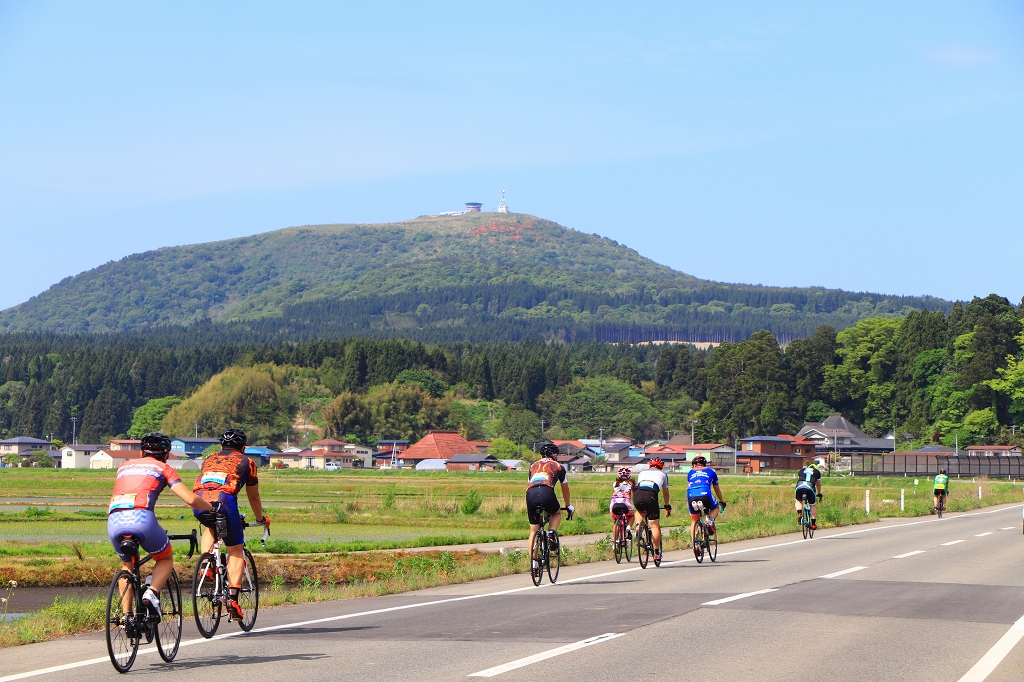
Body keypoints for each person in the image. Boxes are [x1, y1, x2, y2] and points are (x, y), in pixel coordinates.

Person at [107, 432, 214, 620]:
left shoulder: (123, 467)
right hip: (142, 519)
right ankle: (151, 592)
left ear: (141, 453)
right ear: (166, 455)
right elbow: (190, 498)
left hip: (114, 520)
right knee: (165, 558)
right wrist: (210, 507)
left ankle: (127, 617)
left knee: (127, 567)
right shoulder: (164, 468)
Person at [193, 428, 268, 621]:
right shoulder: (247, 462)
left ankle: (207, 563)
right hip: (225, 502)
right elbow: (254, 496)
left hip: (199, 501)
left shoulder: (208, 459)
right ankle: (233, 599)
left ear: (221, 446)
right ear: (243, 448)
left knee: (211, 526)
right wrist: (260, 518)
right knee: (235, 550)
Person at [526, 444, 573, 565]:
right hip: (547, 492)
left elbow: (530, 483)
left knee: (533, 531)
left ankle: (533, 563)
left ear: (541, 455)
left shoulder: (533, 466)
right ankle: (551, 532)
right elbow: (565, 489)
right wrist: (568, 505)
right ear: (555, 455)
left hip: (530, 494)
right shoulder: (558, 466)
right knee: (556, 513)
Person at [634, 457, 671, 562]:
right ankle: (656, 552)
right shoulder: (663, 474)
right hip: (651, 495)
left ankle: (638, 526)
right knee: (654, 525)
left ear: (650, 465)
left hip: (637, 494)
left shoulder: (642, 473)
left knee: (640, 510)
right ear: (661, 466)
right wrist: (667, 505)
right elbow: (666, 492)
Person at [687, 455, 725, 542]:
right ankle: (710, 522)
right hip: (705, 493)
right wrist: (721, 500)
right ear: (705, 464)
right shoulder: (711, 471)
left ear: (693, 465)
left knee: (694, 520)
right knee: (715, 507)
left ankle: (695, 543)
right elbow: (716, 489)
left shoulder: (690, 473)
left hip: (691, 495)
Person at [609, 467, 636, 544]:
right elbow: (634, 495)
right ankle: (628, 528)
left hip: (614, 503)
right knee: (631, 515)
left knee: (616, 522)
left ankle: (615, 541)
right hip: (626, 503)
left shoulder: (615, 483)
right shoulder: (631, 483)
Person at [795, 461, 823, 530]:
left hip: (800, 486)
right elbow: (818, 485)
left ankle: (799, 512)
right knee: (812, 505)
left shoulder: (801, 470)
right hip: (810, 487)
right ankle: (813, 524)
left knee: (798, 501)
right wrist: (819, 493)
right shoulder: (817, 472)